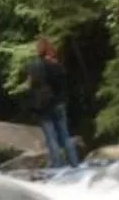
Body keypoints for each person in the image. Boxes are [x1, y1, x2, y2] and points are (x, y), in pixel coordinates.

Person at [26, 37, 79, 168]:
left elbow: (31, 86)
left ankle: (57, 167)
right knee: (65, 136)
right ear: (50, 50)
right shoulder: (57, 66)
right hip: (59, 104)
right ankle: (74, 165)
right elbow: (63, 85)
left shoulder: (34, 66)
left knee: (51, 138)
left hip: (43, 106)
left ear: (38, 50)